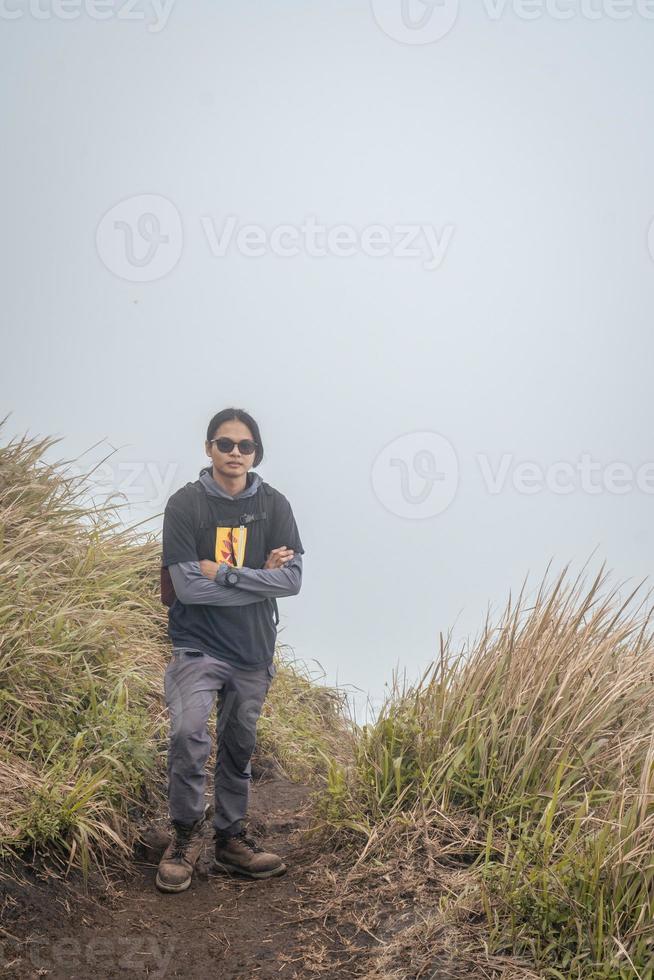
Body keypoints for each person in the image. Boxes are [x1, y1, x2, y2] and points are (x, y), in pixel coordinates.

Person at [155, 407, 305, 893]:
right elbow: (188, 589)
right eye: (225, 444)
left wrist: (223, 573)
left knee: (238, 748)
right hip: (196, 645)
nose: (235, 453)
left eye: (244, 446)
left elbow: (294, 580)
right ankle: (181, 839)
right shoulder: (185, 505)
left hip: (253, 651)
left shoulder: (276, 505)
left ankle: (230, 841)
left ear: (256, 452)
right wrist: (262, 579)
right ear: (208, 448)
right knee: (187, 736)